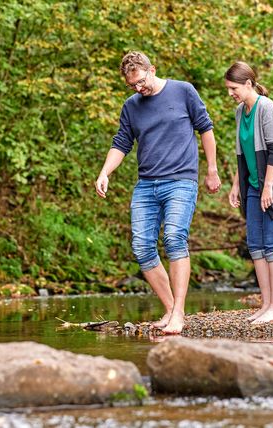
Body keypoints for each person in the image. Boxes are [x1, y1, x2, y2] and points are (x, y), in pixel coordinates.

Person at [95, 51, 221, 334]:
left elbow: (206, 128)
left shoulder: (183, 91)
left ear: (152, 69)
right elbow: (121, 143)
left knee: (175, 238)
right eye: (132, 86)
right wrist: (105, 172)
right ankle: (170, 308)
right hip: (147, 184)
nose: (139, 89)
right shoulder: (131, 106)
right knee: (141, 246)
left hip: (181, 180)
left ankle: (178, 314)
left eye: (141, 81)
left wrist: (212, 170)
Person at [224, 61, 273, 324]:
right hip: (253, 187)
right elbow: (243, 154)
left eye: (233, 87)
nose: (230, 93)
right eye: (228, 88)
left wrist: (268, 186)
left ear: (248, 83)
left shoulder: (266, 108)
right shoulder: (239, 112)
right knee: (256, 246)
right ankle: (266, 305)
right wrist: (236, 185)